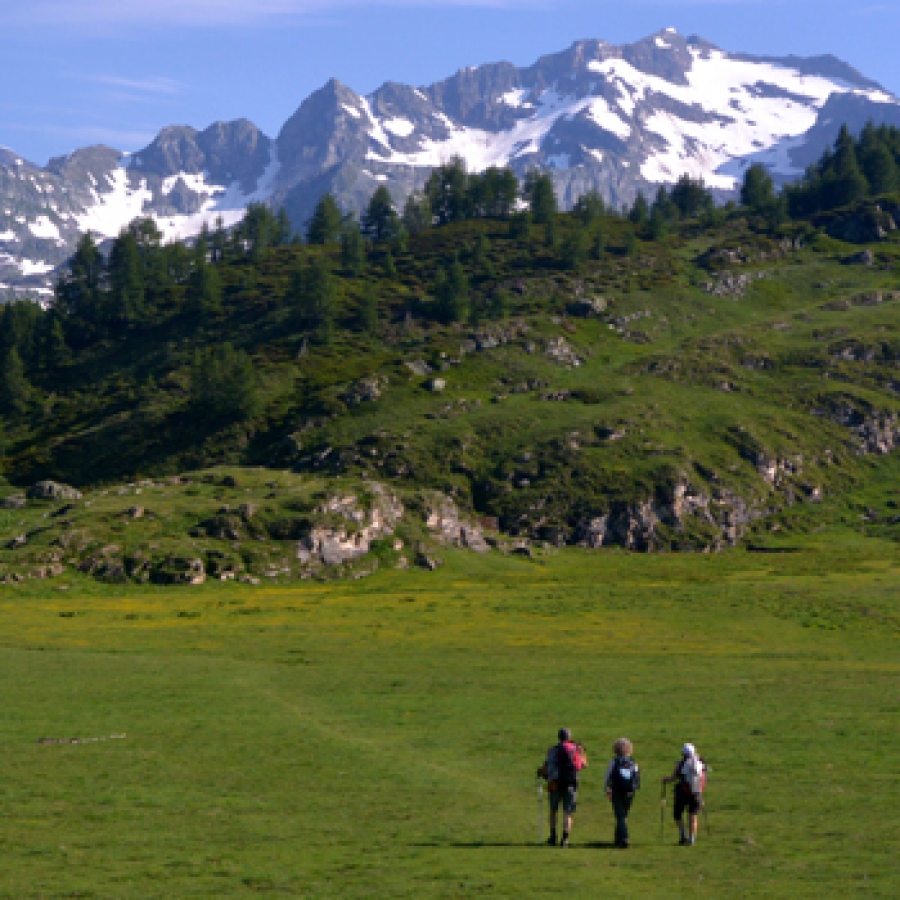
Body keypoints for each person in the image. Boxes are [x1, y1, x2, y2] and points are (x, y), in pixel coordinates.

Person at [537, 728, 588, 847]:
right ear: (569, 737)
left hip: (555, 783)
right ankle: (565, 839)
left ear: (559, 737)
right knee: (568, 813)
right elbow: (583, 765)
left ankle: (553, 837)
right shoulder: (576, 748)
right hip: (571, 783)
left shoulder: (553, 749)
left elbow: (547, 765)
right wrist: (581, 752)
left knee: (553, 811)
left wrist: (542, 773)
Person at [662, 742, 706, 846]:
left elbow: (673, 778)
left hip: (682, 793)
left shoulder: (680, 763)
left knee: (677, 815)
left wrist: (665, 780)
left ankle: (683, 835)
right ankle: (692, 839)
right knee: (693, 816)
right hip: (697, 793)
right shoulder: (701, 763)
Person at [604, 737, 640, 847]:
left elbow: (607, 777)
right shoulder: (633, 762)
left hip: (617, 791)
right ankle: (618, 838)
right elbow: (637, 777)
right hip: (629, 792)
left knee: (620, 816)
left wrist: (607, 789)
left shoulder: (614, 761)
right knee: (623, 816)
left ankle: (624, 838)